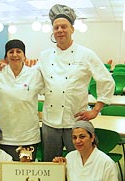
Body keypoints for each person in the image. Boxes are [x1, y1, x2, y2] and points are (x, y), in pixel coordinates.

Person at [37, 4, 115, 161]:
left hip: (76, 121)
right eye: (56, 27)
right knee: (50, 164)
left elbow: (107, 81)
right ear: (52, 30)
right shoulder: (45, 56)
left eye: (64, 27)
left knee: (78, 162)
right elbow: (33, 80)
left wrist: (96, 109)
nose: (60, 30)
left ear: (72, 29)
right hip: (50, 121)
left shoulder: (86, 54)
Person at [0, 39, 44, 160]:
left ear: (24, 56)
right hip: (5, 136)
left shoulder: (35, 74)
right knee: (7, 175)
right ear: (6, 56)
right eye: (11, 52)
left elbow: (49, 91)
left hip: (28, 137)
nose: (15, 55)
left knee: (26, 175)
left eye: (18, 51)